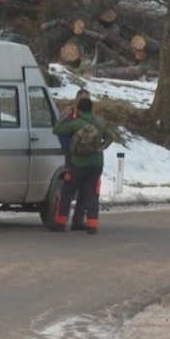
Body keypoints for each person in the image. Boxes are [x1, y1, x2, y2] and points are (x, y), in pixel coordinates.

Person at [52, 97, 113, 235]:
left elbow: (56, 130)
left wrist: (67, 116)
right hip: (96, 164)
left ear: (78, 109)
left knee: (67, 192)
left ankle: (61, 222)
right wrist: (102, 147)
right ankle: (92, 224)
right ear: (92, 109)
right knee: (92, 193)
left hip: (77, 163)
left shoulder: (75, 124)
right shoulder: (99, 123)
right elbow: (110, 137)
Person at [57, 88, 90, 230]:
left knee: (85, 189)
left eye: (87, 99)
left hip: (86, 157)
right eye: (82, 99)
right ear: (76, 99)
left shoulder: (89, 115)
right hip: (72, 157)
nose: (85, 102)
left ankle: (78, 220)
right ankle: (61, 220)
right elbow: (61, 133)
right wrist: (69, 149)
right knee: (68, 189)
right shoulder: (69, 115)